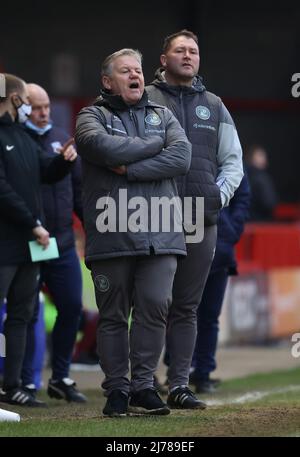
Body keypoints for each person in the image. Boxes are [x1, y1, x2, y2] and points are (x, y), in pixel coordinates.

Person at [75, 48, 191, 417]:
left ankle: (144, 386)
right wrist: (155, 146)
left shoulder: (163, 114)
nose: (135, 76)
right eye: (126, 71)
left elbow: (182, 157)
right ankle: (117, 391)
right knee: (112, 316)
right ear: (108, 81)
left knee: (155, 308)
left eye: (138, 70)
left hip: (161, 233)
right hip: (112, 233)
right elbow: (99, 147)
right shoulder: (91, 116)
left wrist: (131, 167)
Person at [146, 30, 244, 409]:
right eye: (180, 50)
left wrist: (216, 196)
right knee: (151, 302)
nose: (188, 56)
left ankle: (179, 385)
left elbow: (233, 161)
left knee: (187, 307)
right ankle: (141, 380)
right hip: (151, 216)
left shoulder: (214, 105)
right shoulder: (145, 99)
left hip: (199, 217)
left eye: (194, 51)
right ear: (163, 57)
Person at [0, 74, 76, 406]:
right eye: (26, 99)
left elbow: (44, 171)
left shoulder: (23, 136)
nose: (31, 107)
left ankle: (14, 385)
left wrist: (63, 161)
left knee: (21, 315)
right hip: (6, 243)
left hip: (29, 245)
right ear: (15, 99)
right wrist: (33, 223)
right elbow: (2, 190)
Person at [20, 84, 86, 403]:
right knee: (28, 313)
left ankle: (60, 376)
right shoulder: (16, 141)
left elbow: (79, 191)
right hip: (28, 242)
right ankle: (24, 381)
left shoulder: (62, 136)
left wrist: (91, 226)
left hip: (61, 241)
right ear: (22, 109)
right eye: (36, 107)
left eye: (46, 106)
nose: (43, 112)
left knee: (72, 306)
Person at [190, 174, 250, 393]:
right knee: (181, 313)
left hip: (221, 249)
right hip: (189, 246)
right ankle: (180, 371)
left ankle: (202, 373)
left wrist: (230, 231)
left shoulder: (231, 155)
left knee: (209, 316)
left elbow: (242, 196)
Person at [244, 144, 278, 221]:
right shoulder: (262, 178)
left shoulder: (242, 175)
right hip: (262, 222)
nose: (263, 159)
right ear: (251, 157)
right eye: (260, 155)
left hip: (247, 221)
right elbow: (269, 203)